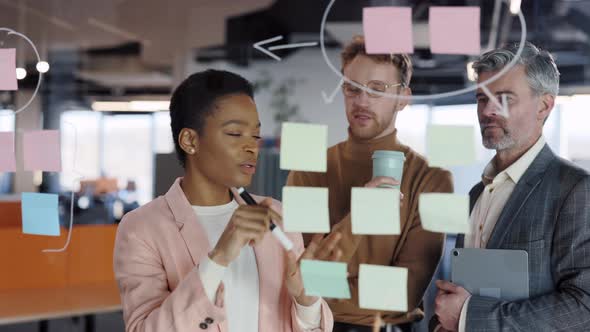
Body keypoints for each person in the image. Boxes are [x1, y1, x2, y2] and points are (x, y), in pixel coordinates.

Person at [114, 69, 343, 332]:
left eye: (255, 135)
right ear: (190, 140)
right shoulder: (141, 228)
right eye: (235, 134)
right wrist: (219, 257)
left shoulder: (276, 217)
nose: (252, 147)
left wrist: (306, 301)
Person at [287, 36, 454, 331]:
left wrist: (325, 284)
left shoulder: (435, 180)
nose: (361, 101)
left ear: (404, 98)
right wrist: (358, 220)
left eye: (377, 90)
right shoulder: (307, 170)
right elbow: (301, 277)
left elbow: (404, 294)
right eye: (353, 88)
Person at [432, 42, 590, 331]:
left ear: (544, 105)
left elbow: (584, 306)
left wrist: (469, 317)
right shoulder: (476, 195)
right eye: (482, 98)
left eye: (504, 99)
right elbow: (461, 295)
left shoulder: (575, 190)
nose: (488, 110)